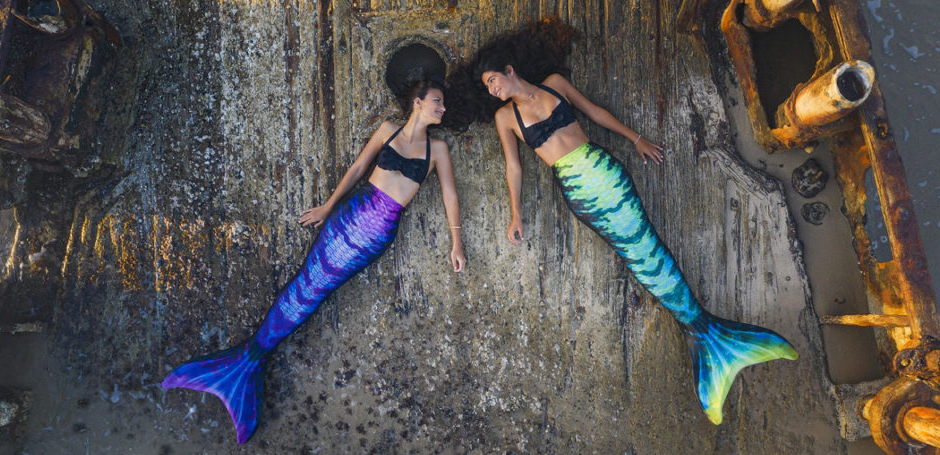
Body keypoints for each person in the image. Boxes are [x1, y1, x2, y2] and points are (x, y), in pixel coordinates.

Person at [449, 19, 797, 425]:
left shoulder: (554, 83)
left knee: (647, 246)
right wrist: (515, 213)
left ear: (510, 70)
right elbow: (514, 167)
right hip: (579, 190)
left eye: (495, 80)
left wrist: (635, 139)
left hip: (605, 170)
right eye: (488, 87)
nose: (493, 90)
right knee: (637, 257)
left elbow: (594, 112)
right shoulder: (505, 119)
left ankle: (705, 332)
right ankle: (706, 334)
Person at [162, 79, 465, 444]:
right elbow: (357, 171)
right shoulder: (388, 129)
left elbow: (450, 195)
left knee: (315, 292)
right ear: (417, 102)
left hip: (377, 234)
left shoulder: (439, 150)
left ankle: (247, 364)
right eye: (437, 101)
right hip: (350, 217)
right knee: (306, 287)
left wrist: (456, 243)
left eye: (443, 103)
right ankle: (247, 361)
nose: (441, 108)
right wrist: (327, 206)